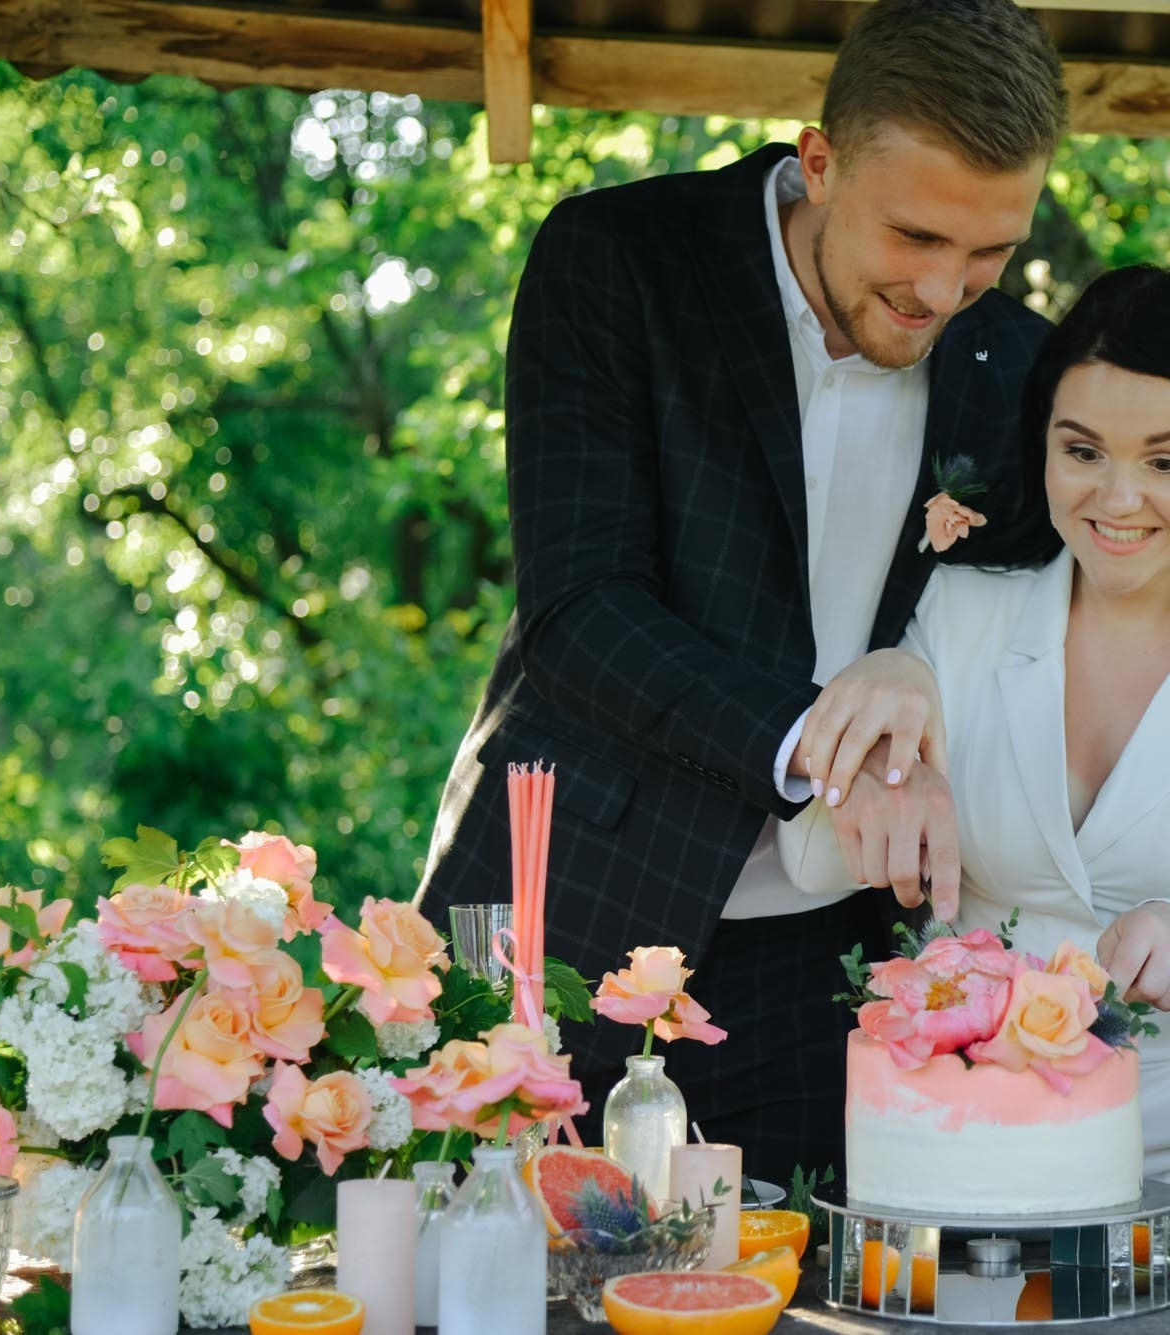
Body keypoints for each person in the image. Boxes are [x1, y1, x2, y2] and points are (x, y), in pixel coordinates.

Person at [414, 0, 1068, 1182]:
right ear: (817, 163)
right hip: (566, 912)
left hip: (833, 964)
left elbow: (1013, 614)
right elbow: (579, 613)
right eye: (914, 236)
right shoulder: (618, 261)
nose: (944, 289)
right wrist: (819, 743)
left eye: (988, 252)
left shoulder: (1012, 362)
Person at [781, 265, 1170, 1195]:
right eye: (1084, 451)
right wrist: (871, 709)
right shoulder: (957, 612)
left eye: (1167, 461)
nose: (1118, 498)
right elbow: (814, 862)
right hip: (975, 1141)